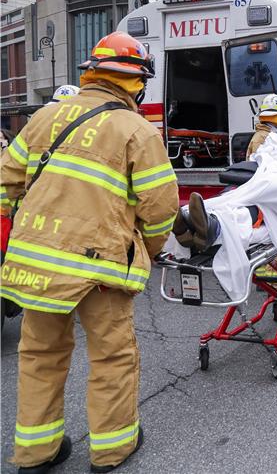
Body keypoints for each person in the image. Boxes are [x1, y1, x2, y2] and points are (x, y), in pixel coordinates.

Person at [0, 31, 179, 473]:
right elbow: (160, 210)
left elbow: (7, 184)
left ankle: (36, 452)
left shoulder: (44, 117)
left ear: (92, 72)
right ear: (137, 81)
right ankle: (112, 449)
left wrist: (26, 232)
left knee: (40, 355)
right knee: (111, 357)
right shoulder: (136, 130)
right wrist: (145, 251)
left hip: (36, 264)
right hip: (101, 268)